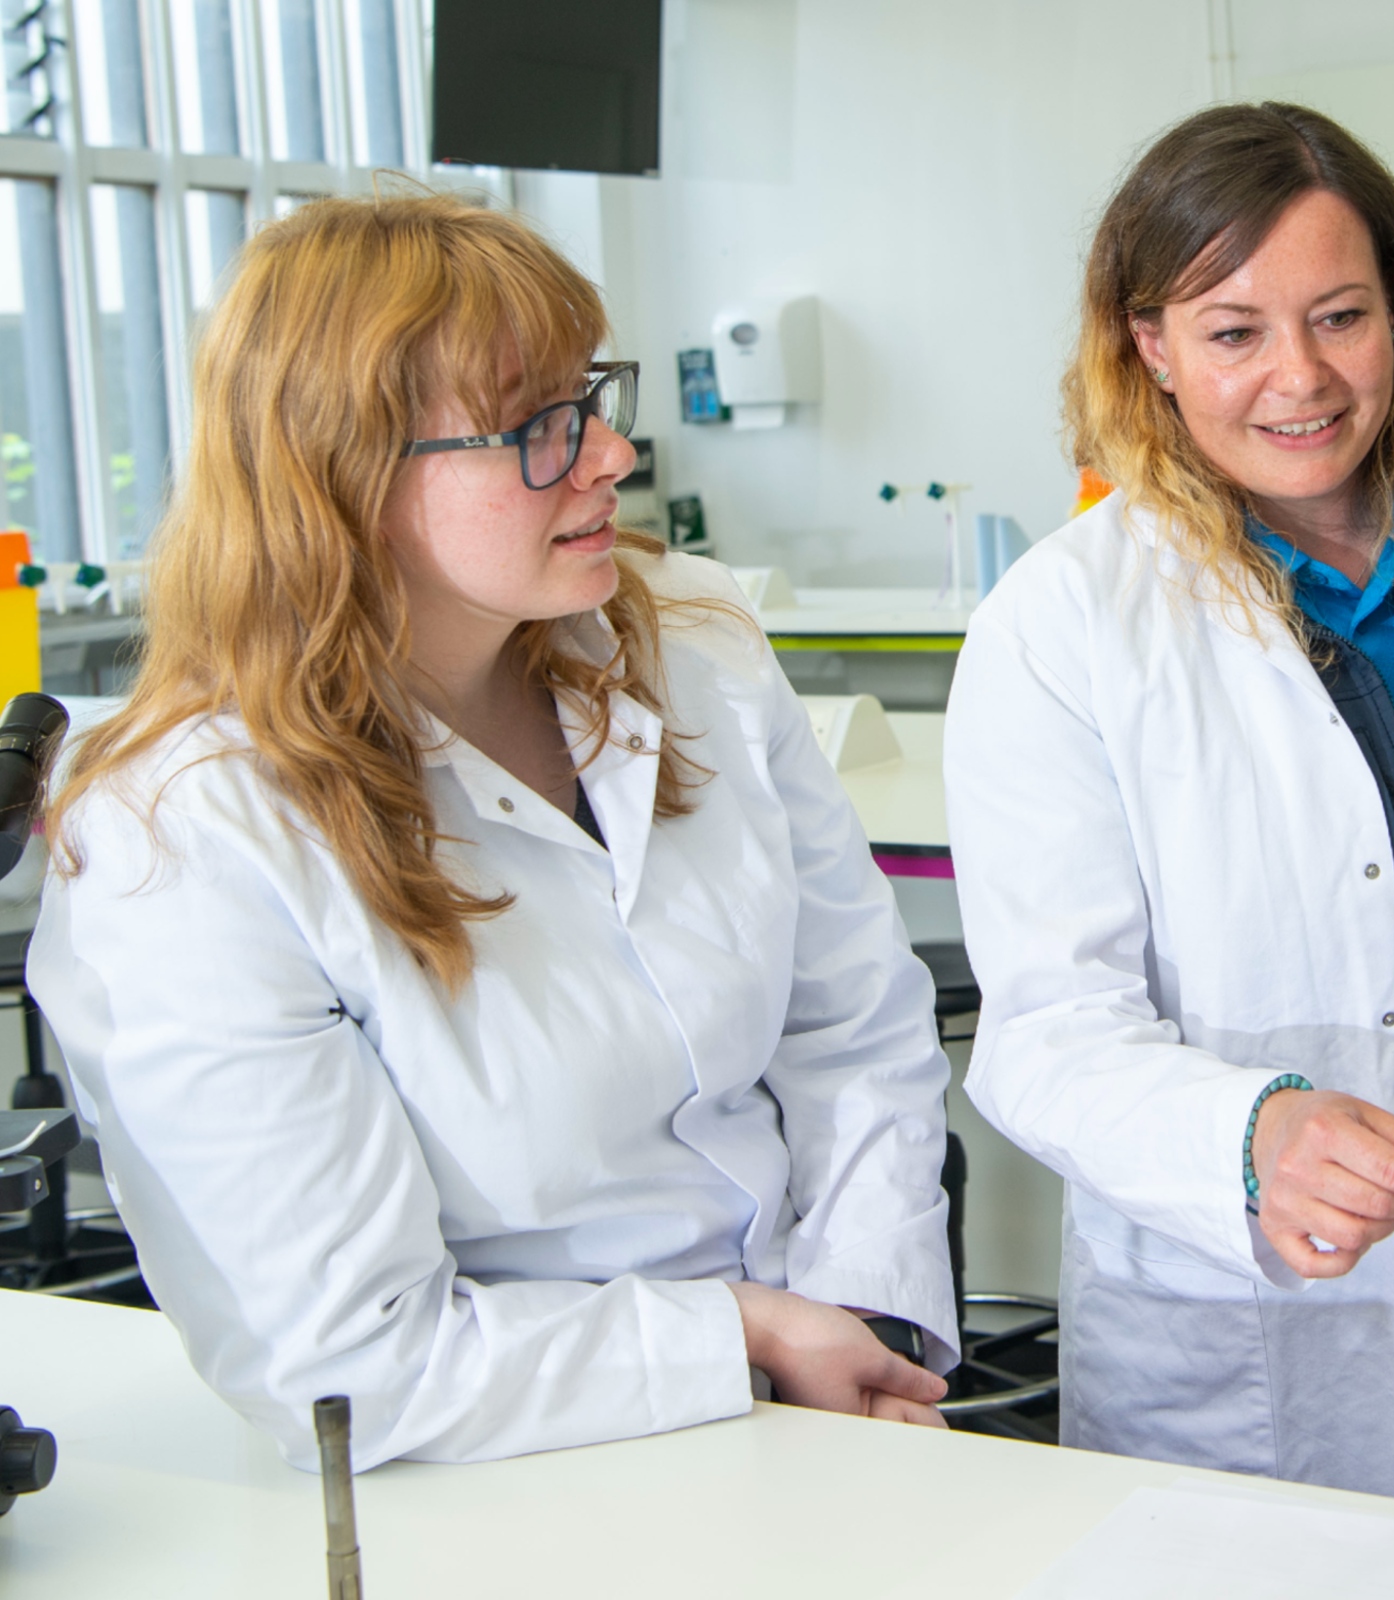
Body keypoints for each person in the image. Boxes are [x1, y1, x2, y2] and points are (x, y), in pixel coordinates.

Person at [30, 193, 957, 1472]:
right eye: (538, 427)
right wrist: (741, 1337)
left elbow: (851, 1021)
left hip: (830, 1389)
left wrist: (865, 1312)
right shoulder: (185, 836)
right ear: (340, 472)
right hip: (503, 1464)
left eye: (592, 397)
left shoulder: (687, 640)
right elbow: (350, 1373)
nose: (611, 456)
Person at [944, 103, 1394, 1508]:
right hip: (1265, 1358)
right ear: (1148, 343)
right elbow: (1046, 1036)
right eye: (1233, 332)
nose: (1301, 378)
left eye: (1340, 316)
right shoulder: (1065, 627)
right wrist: (1247, 1135)